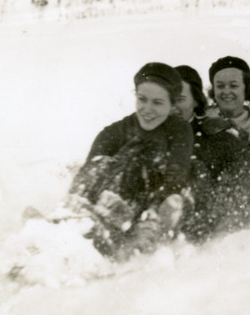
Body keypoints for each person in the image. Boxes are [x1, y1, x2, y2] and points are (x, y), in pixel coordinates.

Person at [67, 62, 193, 259]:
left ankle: (144, 232)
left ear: (172, 104)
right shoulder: (114, 132)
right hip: (112, 201)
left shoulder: (179, 129)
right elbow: (90, 172)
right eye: (142, 99)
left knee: (168, 180)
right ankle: (70, 216)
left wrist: (155, 210)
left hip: (151, 204)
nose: (147, 109)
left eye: (157, 103)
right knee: (102, 164)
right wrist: (79, 195)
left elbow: (177, 173)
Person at [181, 56, 250, 242]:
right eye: (220, 86)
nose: (226, 92)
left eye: (233, 85)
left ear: (246, 88)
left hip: (228, 200)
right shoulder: (201, 115)